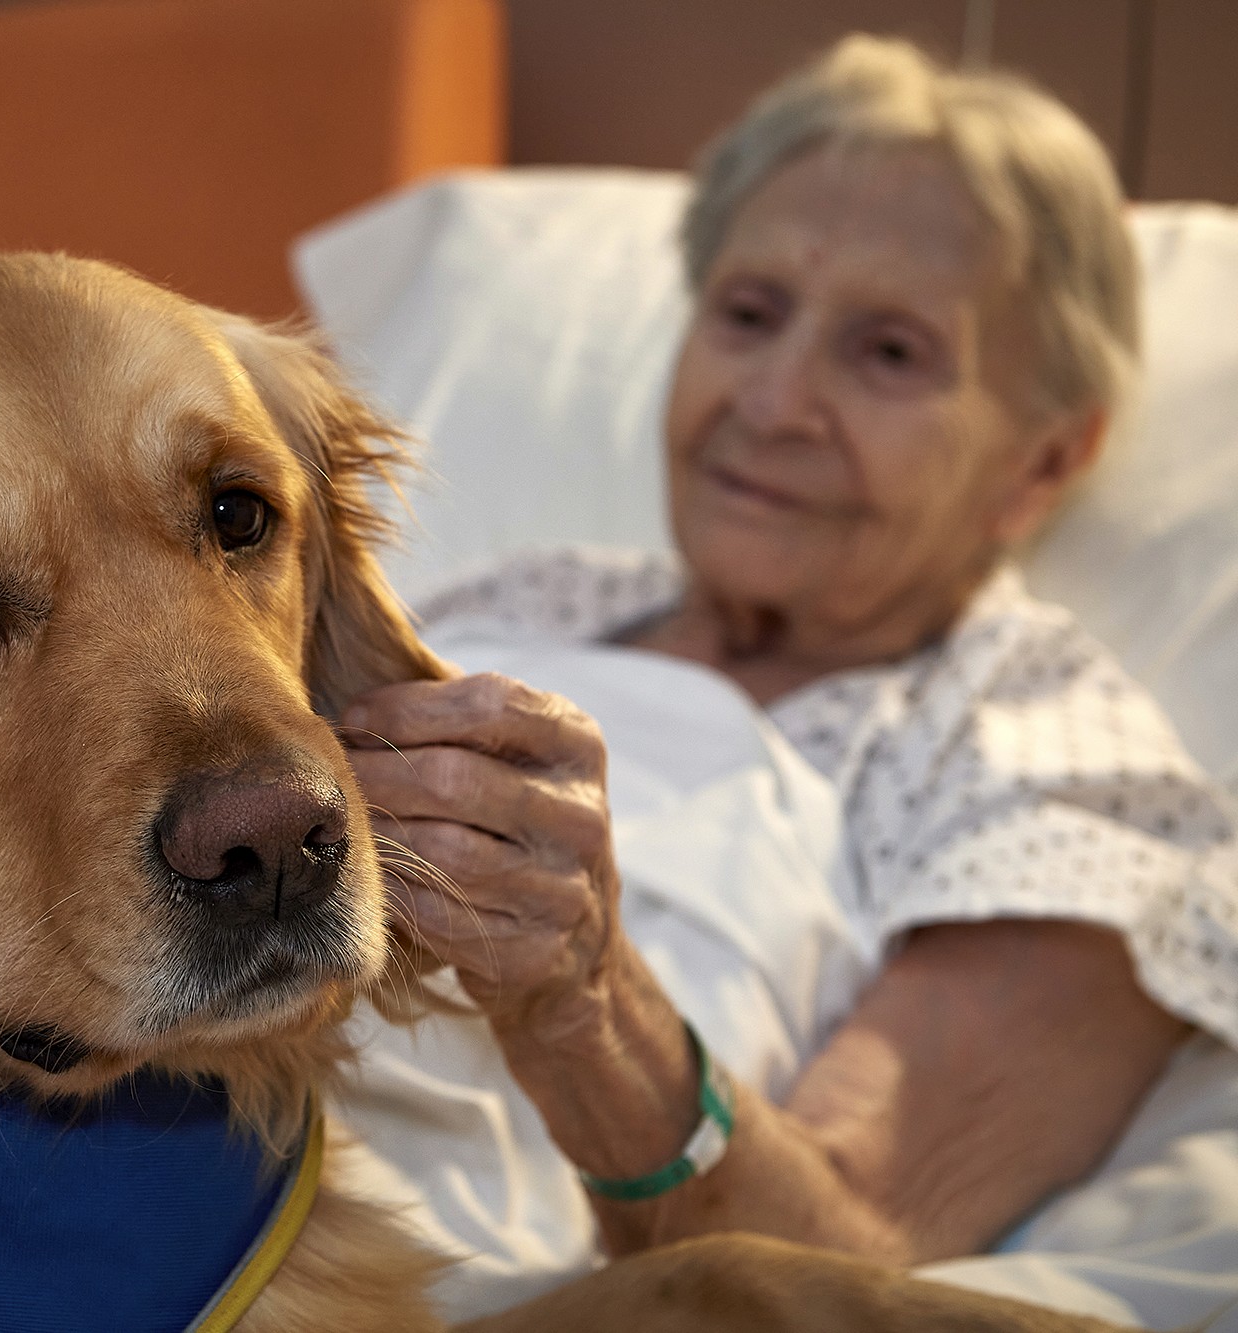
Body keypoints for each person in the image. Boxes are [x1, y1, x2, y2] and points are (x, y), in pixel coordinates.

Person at [337, 32, 1238, 1287]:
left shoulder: (1045, 757)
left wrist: (582, 1002)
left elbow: (839, 1260)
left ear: (1041, 461)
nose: (771, 401)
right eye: (748, 315)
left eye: (886, 353)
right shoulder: (520, 594)